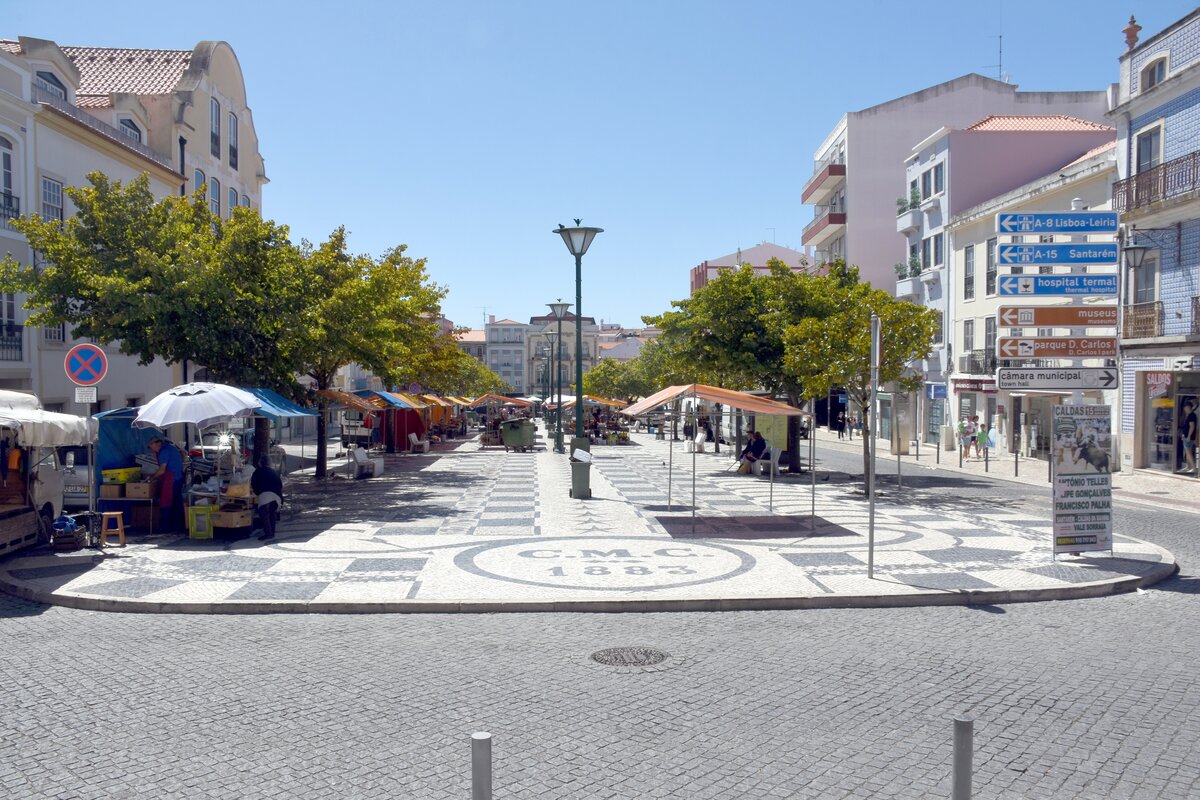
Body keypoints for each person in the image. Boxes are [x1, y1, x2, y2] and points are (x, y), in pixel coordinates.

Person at [147, 436, 184, 533]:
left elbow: (162, 470)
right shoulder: (170, 448)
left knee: (167, 502)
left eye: (151, 447)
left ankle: (165, 527)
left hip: (172, 479)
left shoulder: (164, 452)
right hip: (178, 477)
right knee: (177, 503)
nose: (151, 450)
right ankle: (178, 527)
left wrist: (152, 478)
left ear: (155, 444)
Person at [251, 456, 284, 541]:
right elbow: (280, 484)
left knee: (264, 514)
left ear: (260, 463)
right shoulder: (273, 471)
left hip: (265, 494)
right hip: (276, 495)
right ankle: (272, 532)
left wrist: (257, 492)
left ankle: (268, 533)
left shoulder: (257, 472)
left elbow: (254, 485)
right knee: (272, 514)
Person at [1179, 400, 1198, 475]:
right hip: (1186, 436)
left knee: (1189, 452)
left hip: (1189, 437)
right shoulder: (1189, 415)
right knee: (1187, 452)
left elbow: (1192, 426)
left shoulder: (1192, 415)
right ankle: (1188, 467)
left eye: (1185, 407)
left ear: (1188, 407)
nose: (1184, 409)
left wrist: (1189, 436)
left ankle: (1193, 468)